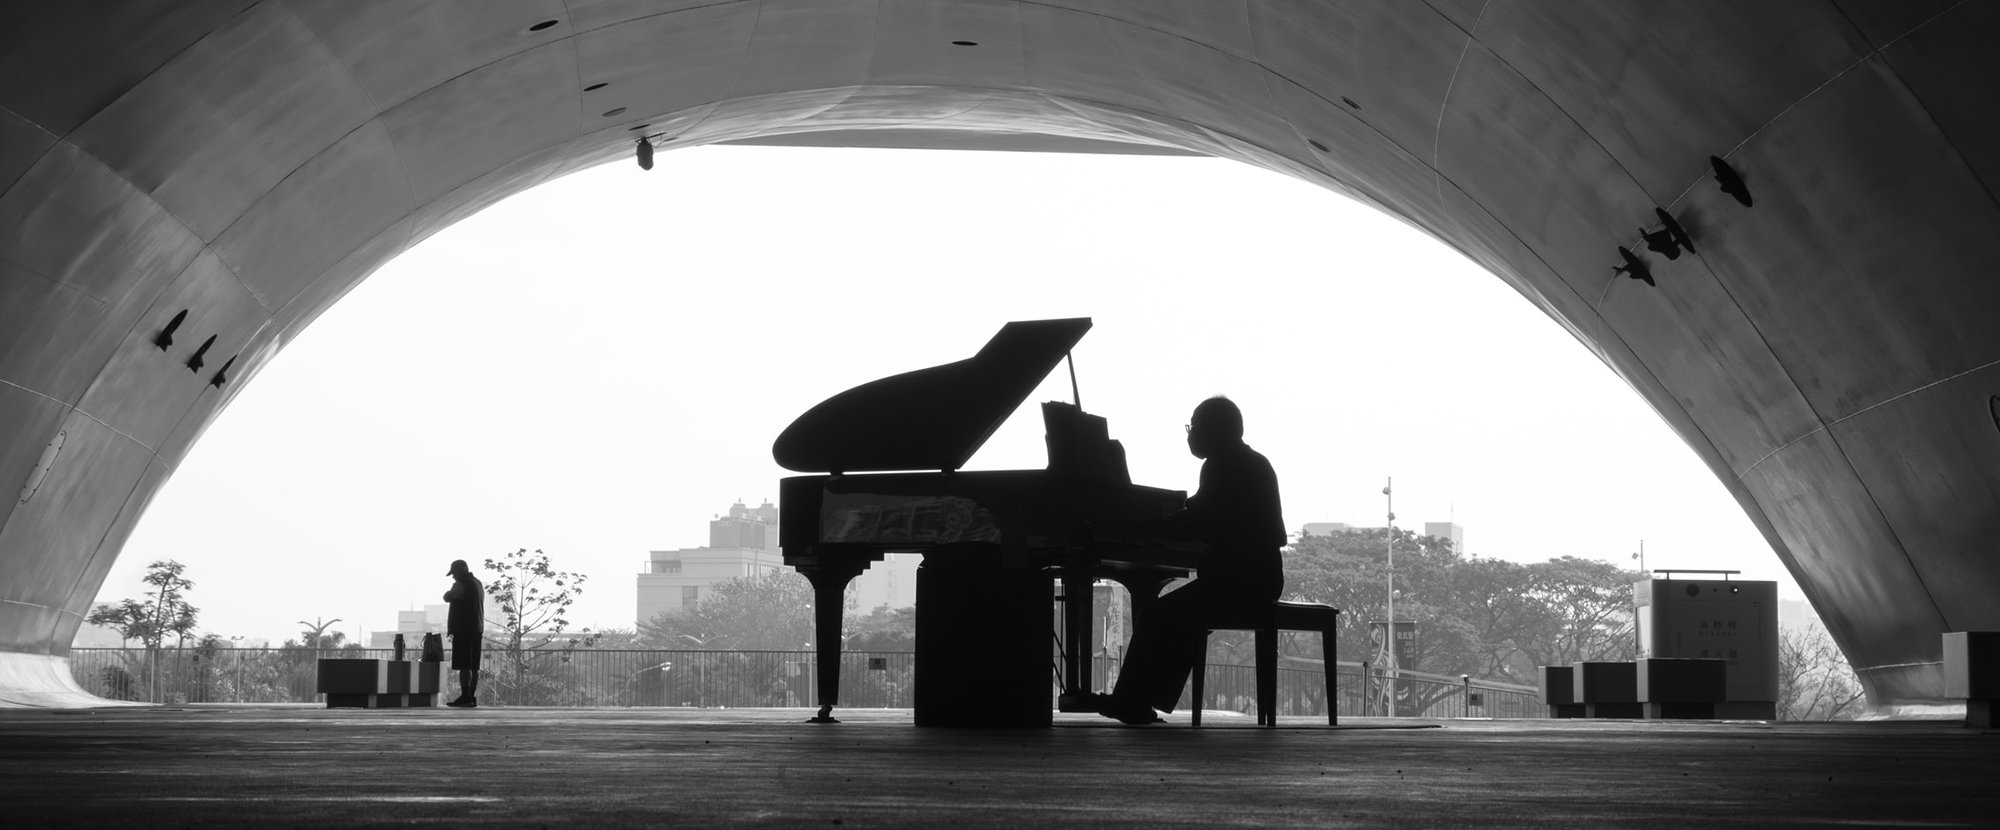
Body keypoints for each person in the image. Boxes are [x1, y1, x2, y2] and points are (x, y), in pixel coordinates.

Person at [1099, 396, 1285, 724]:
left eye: (1195, 426)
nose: (1190, 435)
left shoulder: (1223, 465)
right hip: (1257, 577)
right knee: (1176, 615)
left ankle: (1132, 701)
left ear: (1215, 430)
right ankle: (1139, 700)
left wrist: (1136, 528)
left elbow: (1195, 519)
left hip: (1241, 583)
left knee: (1157, 615)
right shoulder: (1247, 461)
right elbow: (1203, 513)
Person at [443, 559, 485, 707]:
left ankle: (465, 697)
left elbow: (447, 597)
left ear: (460, 571)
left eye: (454, 573)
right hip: (477, 628)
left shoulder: (461, 584)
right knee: (474, 665)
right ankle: (471, 697)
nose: (453, 577)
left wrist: (450, 590)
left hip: (464, 629)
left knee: (464, 665)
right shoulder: (478, 584)